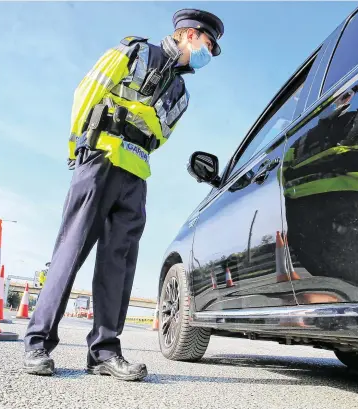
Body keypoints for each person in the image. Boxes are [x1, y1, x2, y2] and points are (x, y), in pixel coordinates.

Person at [23, 8, 225, 381]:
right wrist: (77, 147)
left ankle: (103, 352)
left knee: (119, 264)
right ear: (190, 35)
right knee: (70, 252)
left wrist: (139, 126)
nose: (208, 54)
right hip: (98, 158)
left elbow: (162, 135)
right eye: (208, 44)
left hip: (136, 174)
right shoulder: (134, 52)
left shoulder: (182, 91)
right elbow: (88, 89)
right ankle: (38, 342)